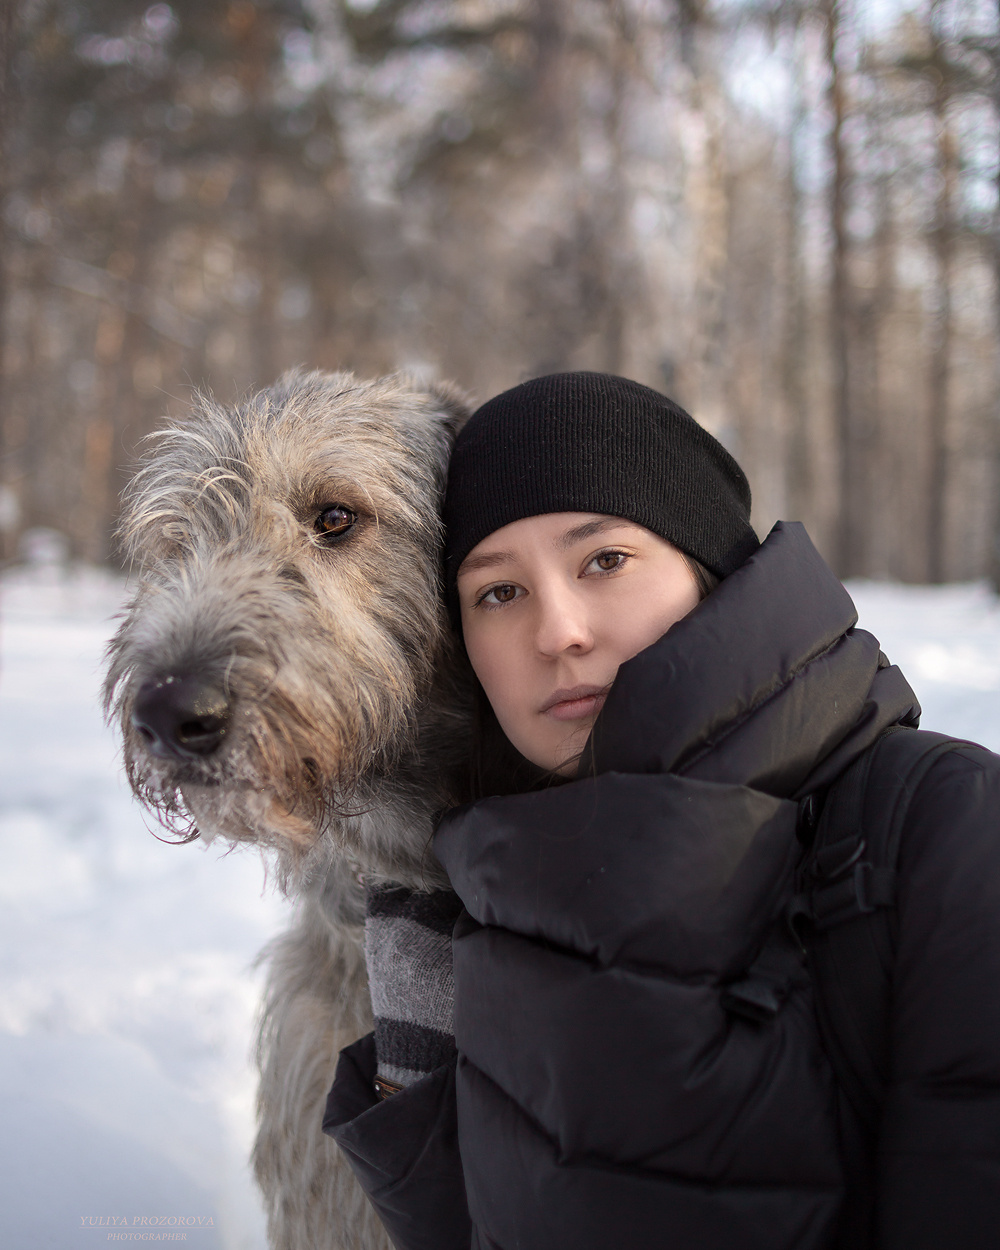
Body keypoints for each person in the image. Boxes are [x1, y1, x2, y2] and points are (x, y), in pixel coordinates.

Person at [323, 372, 1000, 1250]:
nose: (558, 631)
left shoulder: (945, 825)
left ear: (710, 569)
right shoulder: (474, 897)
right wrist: (419, 1081)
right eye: (498, 592)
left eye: (604, 561)